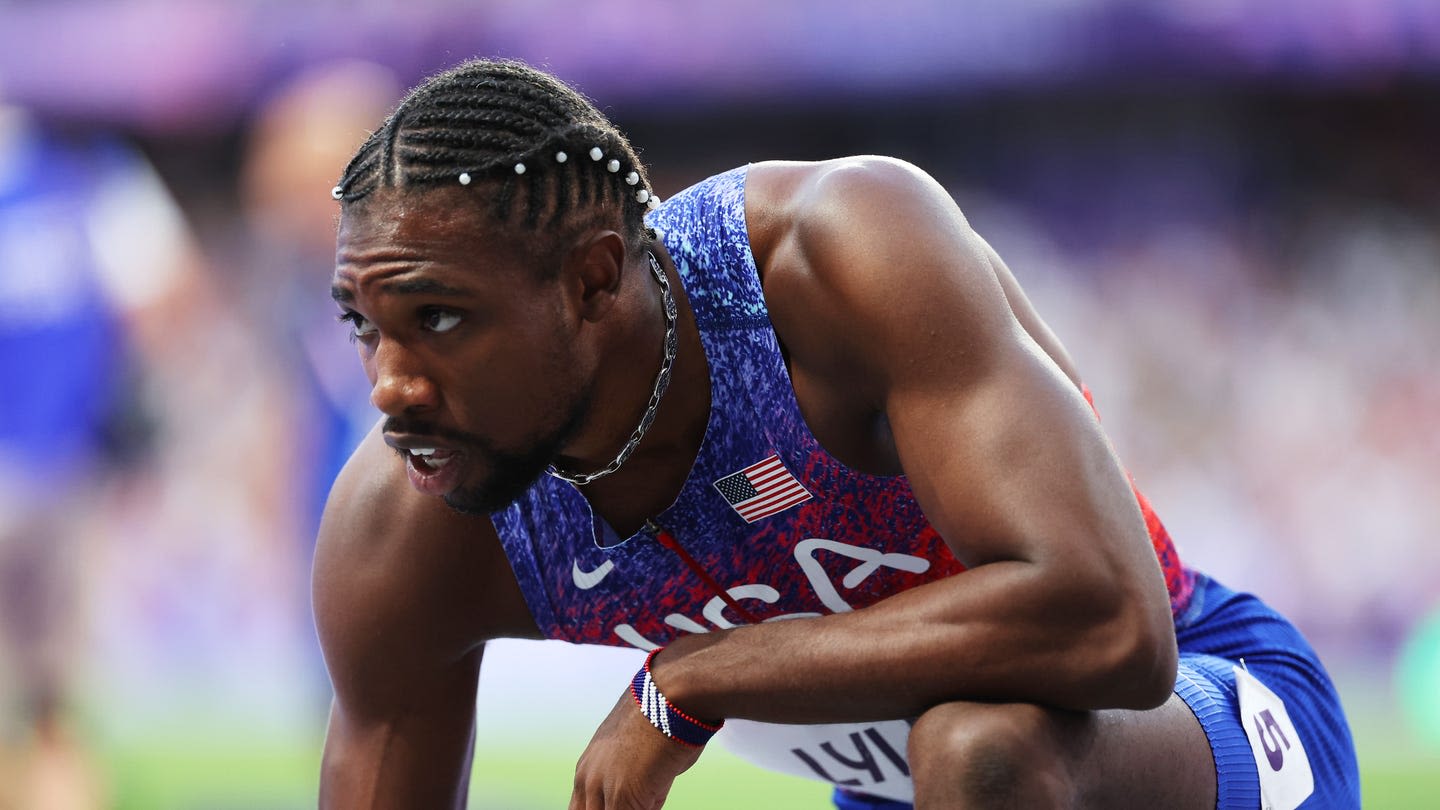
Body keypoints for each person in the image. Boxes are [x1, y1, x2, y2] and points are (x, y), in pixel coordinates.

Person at [314, 59, 1360, 809]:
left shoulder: (834, 259)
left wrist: (695, 676)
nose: (391, 386)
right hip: (906, 788)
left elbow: (1115, 628)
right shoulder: (408, 521)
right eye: (364, 325)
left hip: (1195, 715)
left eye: (439, 320)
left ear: (591, 279)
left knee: (977, 745)